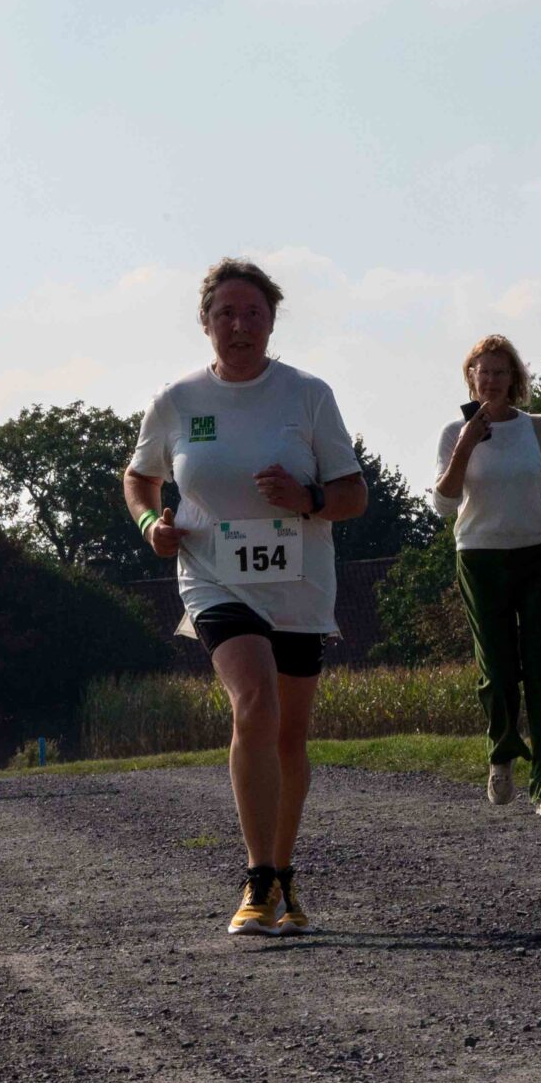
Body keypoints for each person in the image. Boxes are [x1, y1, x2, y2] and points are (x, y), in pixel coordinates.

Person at [124, 258, 368, 937]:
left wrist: (307, 497)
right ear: (205, 323)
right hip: (214, 577)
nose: (240, 325)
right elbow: (139, 477)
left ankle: (283, 872)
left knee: (289, 734)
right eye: (226, 314)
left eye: (253, 313)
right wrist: (150, 525)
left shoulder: (307, 395)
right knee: (254, 701)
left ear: (272, 321)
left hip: (298, 582)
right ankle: (257, 877)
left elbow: (353, 494)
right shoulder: (177, 399)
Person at [433, 335, 541, 816]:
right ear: (470, 378)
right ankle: (502, 751)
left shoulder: (537, 428)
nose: (490, 380)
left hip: (537, 554)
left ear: (514, 378)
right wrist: (466, 445)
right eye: (482, 372)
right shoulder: (455, 431)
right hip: (479, 556)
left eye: (499, 372)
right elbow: (444, 503)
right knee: (497, 667)